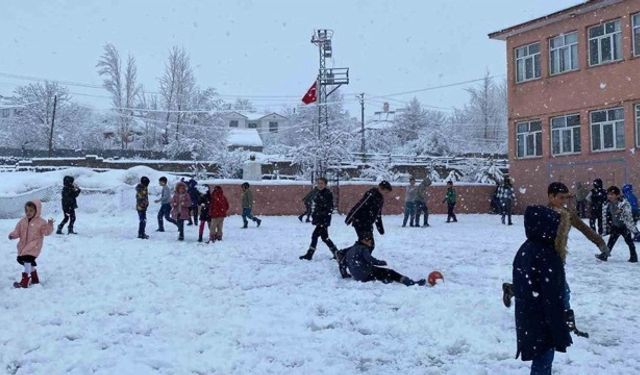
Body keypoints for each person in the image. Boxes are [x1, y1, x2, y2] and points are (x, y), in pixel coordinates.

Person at [503, 182, 610, 306]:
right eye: (561, 197)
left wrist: (600, 243)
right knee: (561, 291)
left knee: (540, 285)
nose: (564, 201)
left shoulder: (568, 214)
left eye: (566, 197)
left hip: (556, 257)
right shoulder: (543, 213)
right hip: (542, 257)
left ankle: (512, 289)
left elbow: (584, 229)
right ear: (551, 196)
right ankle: (566, 319)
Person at [511, 205, 573, 375]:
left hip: (530, 316)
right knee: (543, 362)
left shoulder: (526, 249)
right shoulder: (547, 254)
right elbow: (552, 295)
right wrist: (560, 324)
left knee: (541, 359)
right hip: (543, 319)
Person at [336, 233, 426, 286]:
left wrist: (345, 275)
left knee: (379, 272)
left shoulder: (350, 249)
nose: (370, 242)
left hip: (357, 275)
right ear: (363, 241)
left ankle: (384, 279)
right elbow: (370, 260)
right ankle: (409, 282)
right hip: (365, 274)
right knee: (389, 272)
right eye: (368, 240)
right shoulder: (363, 249)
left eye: (371, 240)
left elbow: (342, 263)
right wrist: (381, 262)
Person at [9, 200, 54, 288]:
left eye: (31, 210)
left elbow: (46, 232)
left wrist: (49, 225)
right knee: (25, 261)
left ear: (37, 210)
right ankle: (35, 278)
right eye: (26, 210)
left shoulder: (41, 222)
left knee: (27, 261)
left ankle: (24, 282)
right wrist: (12, 235)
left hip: (34, 246)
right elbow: (17, 231)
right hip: (23, 246)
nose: (28, 213)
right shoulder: (22, 221)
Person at [345, 180, 392, 253]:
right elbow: (359, 205)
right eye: (385, 192)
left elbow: (378, 214)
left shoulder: (380, 199)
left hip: (368, 224)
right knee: (368, 244)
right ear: (380, 187)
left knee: (364, 243)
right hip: (360, 222)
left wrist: (380, 228)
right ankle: (360, 259)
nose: (385, 194)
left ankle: (343, 253)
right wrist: (349, 218)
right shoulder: (371, 194)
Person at [299, 177, 339, 260]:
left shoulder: (327, 193)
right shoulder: (318, 193)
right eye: (318, 183)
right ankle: (337, 253)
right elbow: (316, 206)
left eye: (322, 183)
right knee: (325, 238)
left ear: (325, 184)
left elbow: (329, 208)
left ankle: (309, 254)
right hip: (319, 219)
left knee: (315, 236)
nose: (320, 185)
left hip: (323, 220)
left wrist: (321, 217)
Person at [597, 186, 639, 263]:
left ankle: (634, 257)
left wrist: (621, 210)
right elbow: (605, 215)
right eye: (608, 194)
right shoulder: (607, 204)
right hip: (615, 226)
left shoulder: (623, 203)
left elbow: (628, 212)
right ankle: (604, 255)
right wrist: (607, 224)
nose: (609, 196)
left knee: (629, 242)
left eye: (612, 194)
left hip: (624, 226)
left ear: (617, 195)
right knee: (611, 242)